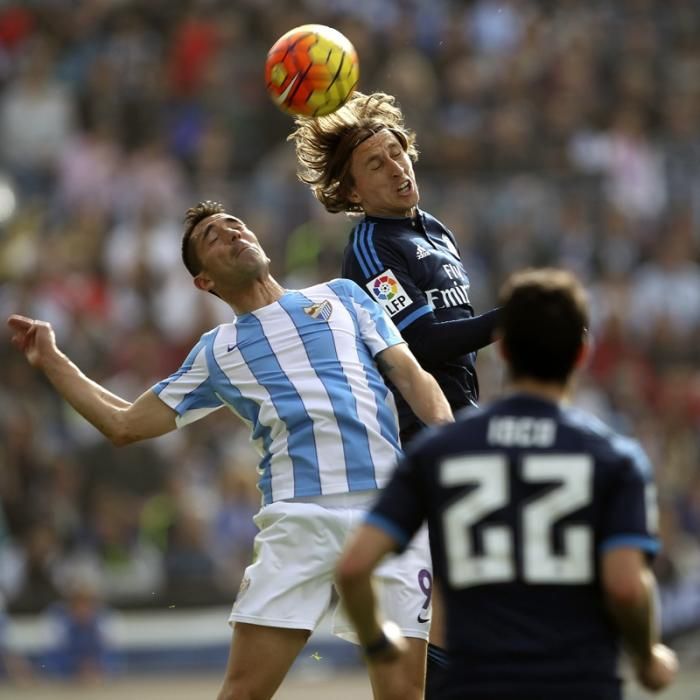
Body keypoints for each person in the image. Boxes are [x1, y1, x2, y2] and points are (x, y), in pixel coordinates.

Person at [7, 200, 454, 700]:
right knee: (243, 693)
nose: (232, 234)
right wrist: (51, 359)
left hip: (388, 515)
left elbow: (414, 378)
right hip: (298, 518)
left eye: (235, 225)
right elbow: (124, 423)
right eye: (213, 238)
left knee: (402, 696)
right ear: (204, 282)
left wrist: (447, 460)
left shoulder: (344, 297)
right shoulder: (216, 350)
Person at [335, 267, 679, 700]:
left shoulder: (437, 453)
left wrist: (377, 640)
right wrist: (647, 658)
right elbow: (627, 585)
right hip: (579, 681)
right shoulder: (615, 459)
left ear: (505, 351)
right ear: (581, 352)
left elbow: (353, 568)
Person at [290, 89, 500, 689]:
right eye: (375, 164)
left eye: (396, 152)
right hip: (417, 427)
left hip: (457, 413)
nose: (396, 167)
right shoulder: (371, 246)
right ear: (352, 192)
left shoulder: (434, 231)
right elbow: (424, 343)